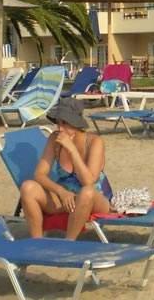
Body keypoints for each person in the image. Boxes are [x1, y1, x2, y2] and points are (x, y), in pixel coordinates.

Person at [20, 98, 113, 239]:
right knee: (28, 187)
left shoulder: (94, 142)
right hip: (66, 198)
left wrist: (72, 150)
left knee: (86, 192)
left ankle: (69, 242)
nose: (60, 128)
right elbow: (39, 174)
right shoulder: (55, 139)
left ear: (76, 122)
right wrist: (61, 192)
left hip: (95, 199)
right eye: (58, 122)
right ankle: (37, 241)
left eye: (65, 123)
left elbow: (88, 182)